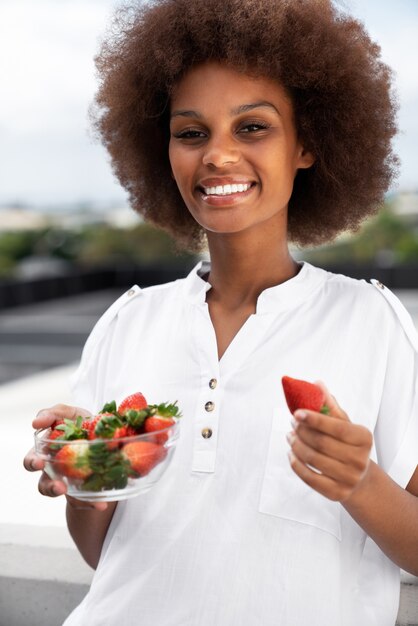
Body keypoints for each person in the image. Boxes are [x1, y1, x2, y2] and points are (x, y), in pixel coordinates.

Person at [24, 0, 418, 624]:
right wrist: (88, 484)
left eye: (252, 127)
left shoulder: (372, 322)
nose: (218, 156)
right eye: (191, 132)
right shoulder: (128, 321)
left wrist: (360, 483)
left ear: (307, 145)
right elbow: (105, 556)